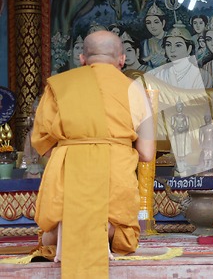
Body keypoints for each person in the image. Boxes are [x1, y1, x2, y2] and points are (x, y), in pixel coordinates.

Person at [31, 31, 155, 276]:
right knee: (124, 236)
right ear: (121, 59)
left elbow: (43, 142)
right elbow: (147, 153)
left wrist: (75, 149)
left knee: (48, 234)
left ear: (82, 58)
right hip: (114, 173)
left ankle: (62, 230)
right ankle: (103, 229)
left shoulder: (60, 86)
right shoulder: (135, 90)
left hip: (68, 173)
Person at [141, 2, 168, 68]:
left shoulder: (170, 37)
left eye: (156, 22)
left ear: (163, 23)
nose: (152, 26)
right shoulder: (145, 44)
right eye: (148, 23)